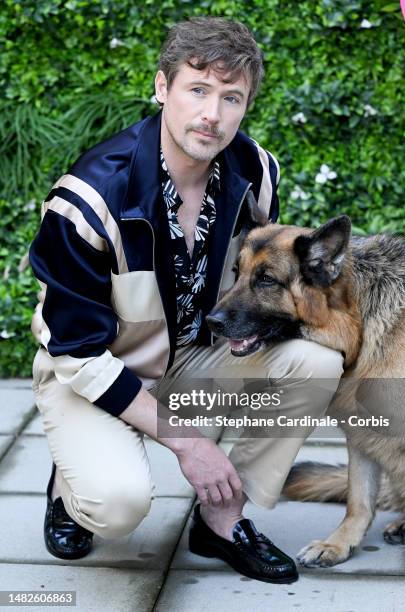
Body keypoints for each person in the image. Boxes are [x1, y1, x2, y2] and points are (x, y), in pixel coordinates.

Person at [29, 16, 343, 584]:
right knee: (116, 506)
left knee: (314, 364)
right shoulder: (89, 197)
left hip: (192, 357)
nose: (212, 115)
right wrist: (188, 441)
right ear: (161, 88)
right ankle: (69, 482)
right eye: (197, 90)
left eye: (231, 98)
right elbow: (75, 349)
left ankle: (222, 518)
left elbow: (260, 286)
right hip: (97, 367)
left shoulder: (255, 172)